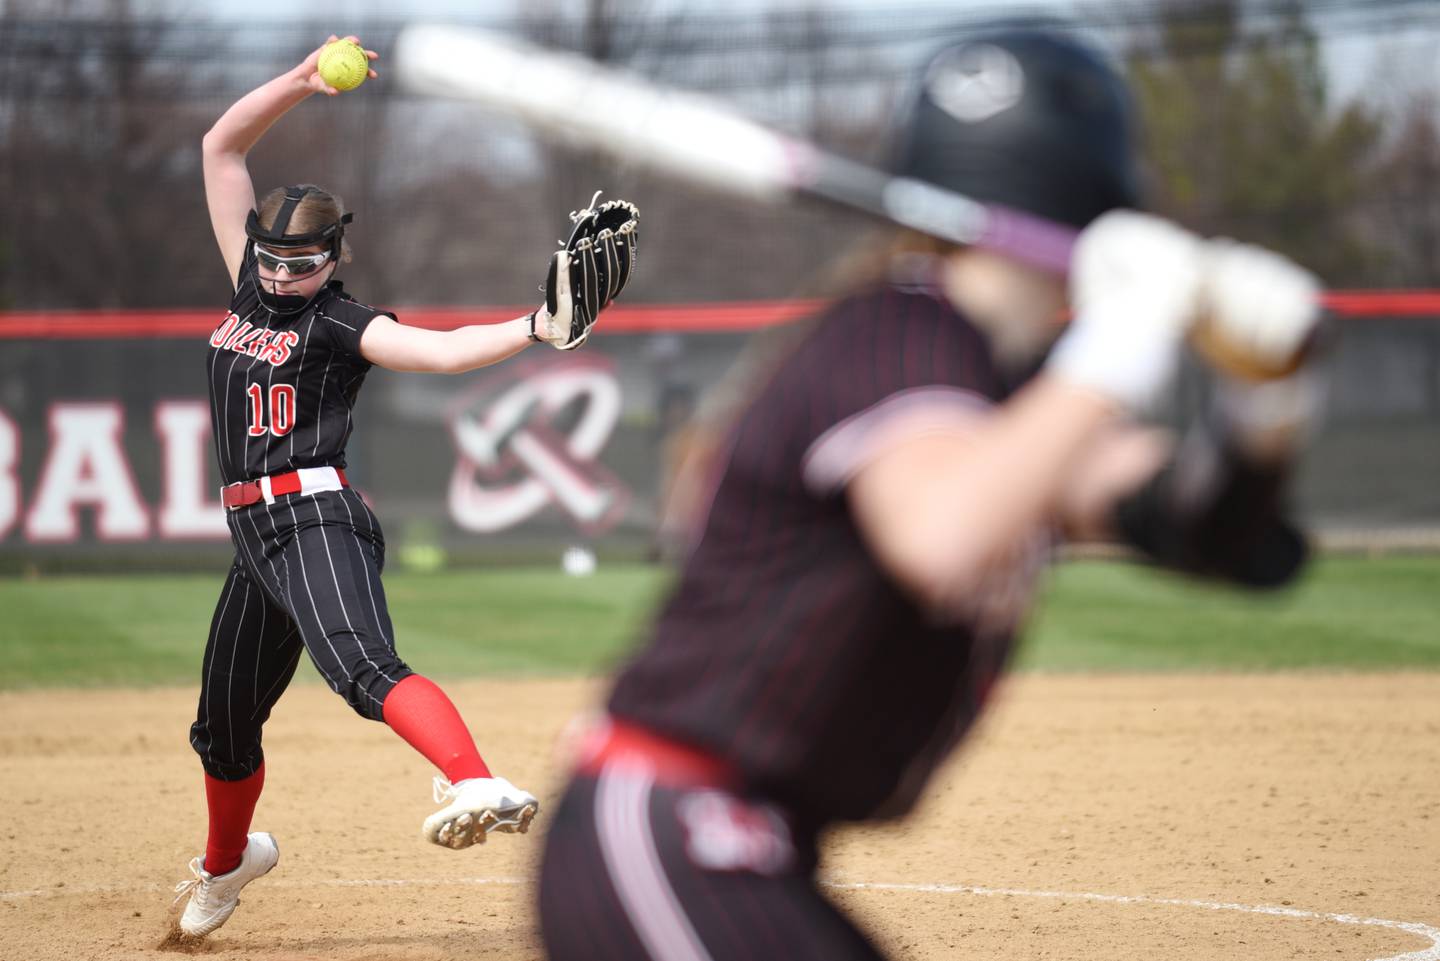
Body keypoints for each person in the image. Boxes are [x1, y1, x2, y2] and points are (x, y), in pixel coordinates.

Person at [537, 24, 1322, 961]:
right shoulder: (903, 333)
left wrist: (1267, 400)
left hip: (741, 849)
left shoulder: (1010, 392)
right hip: (674, 827)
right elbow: (943, 534)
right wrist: (1122, 341)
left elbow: (1222, 536)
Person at [172, 35, 618, 939]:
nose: (281, 273)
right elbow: (221, 147)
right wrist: (301, 81)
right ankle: (228, 863)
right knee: (221, 728)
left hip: (315, 517)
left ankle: (473, 776)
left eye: (301, 263)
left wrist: (537, 325)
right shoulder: (249, 291)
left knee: (362, 666)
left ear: (334, 257)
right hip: (253, 540)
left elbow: (446, 351)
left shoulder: (338, 322)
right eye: (270, 258)